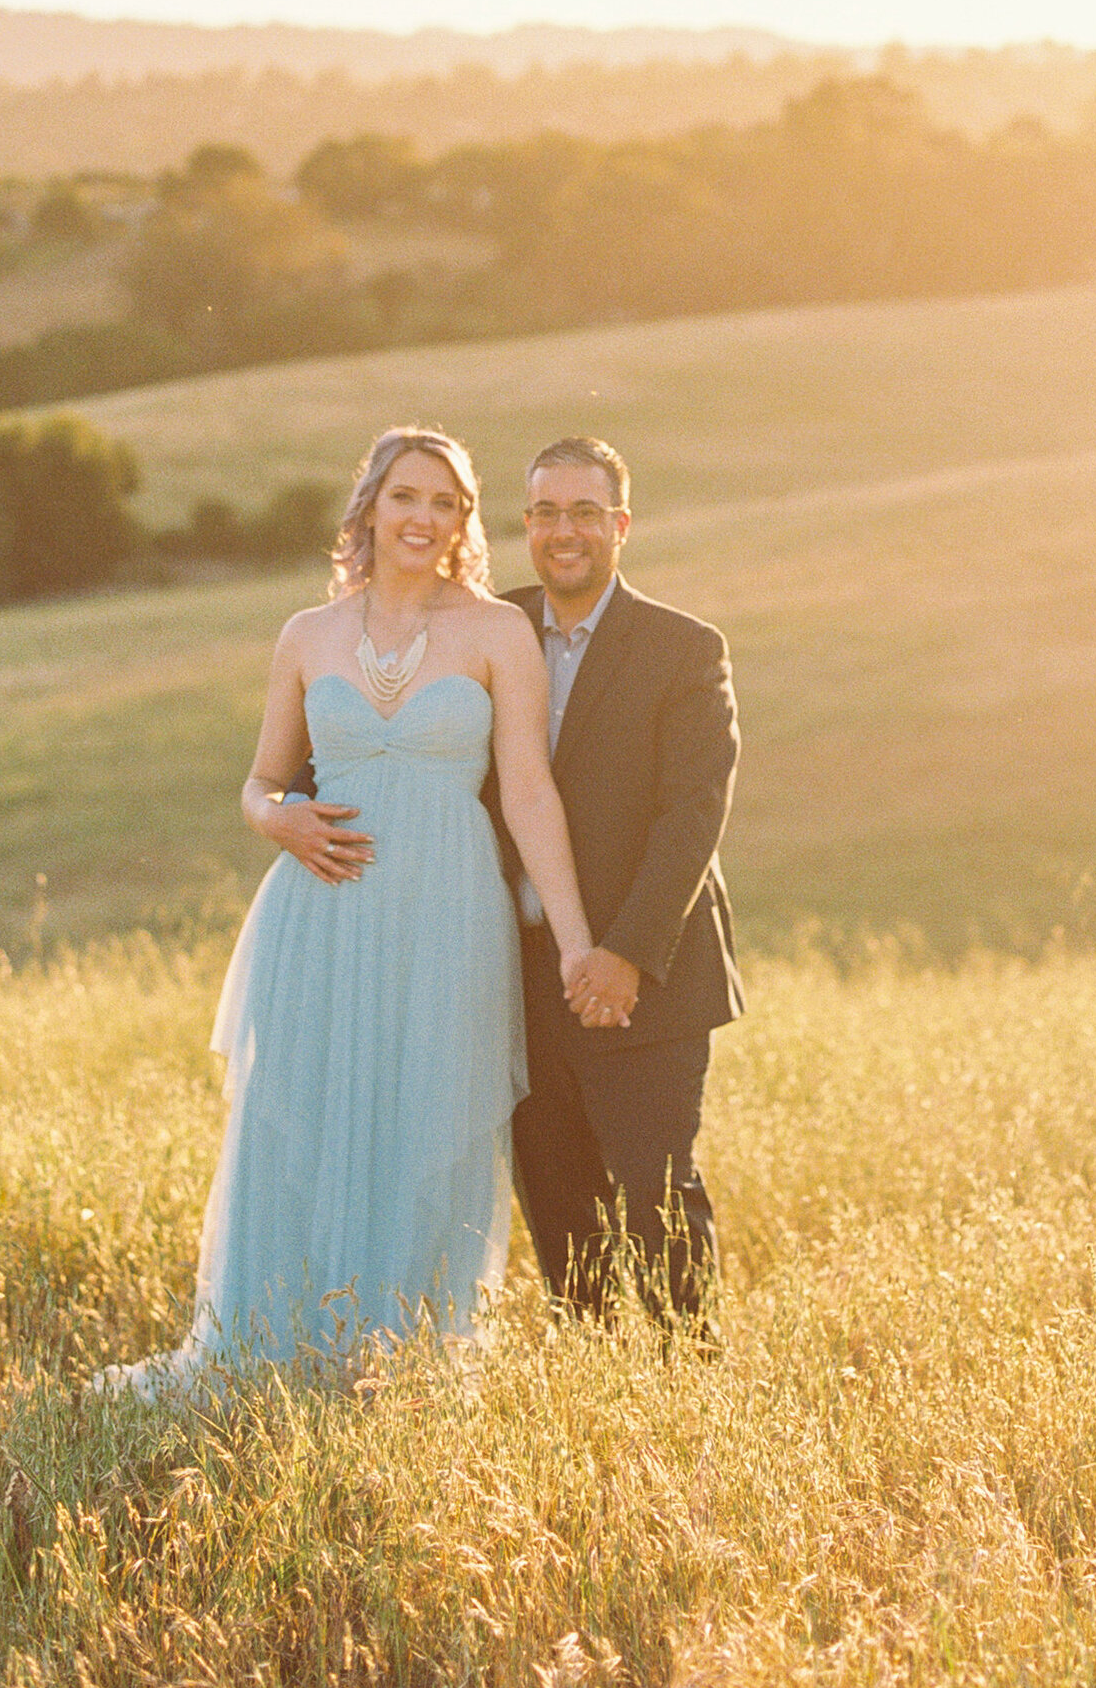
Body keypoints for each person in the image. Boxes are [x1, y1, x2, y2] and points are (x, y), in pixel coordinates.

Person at [101, 425, 613, 1386]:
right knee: (299, 1116)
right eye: (407, 497)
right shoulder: (307, 635)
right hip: (320, 911)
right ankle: (276, 1349)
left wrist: (575, 942)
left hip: (447, 915)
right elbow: (257, 786)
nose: (425, 518)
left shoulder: (501, 631)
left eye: (446, 503)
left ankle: (399, 1363)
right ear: (370, 507)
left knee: (427, 1121)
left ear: (464, 522)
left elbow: (531, 793)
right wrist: (281, 821)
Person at [506, 435, 743, 1326]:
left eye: (585, 512)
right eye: (547, 513)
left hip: (651, 975)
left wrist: (625, 956)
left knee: (656, 1199)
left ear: (621, 524)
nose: (565, 531)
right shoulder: (491, 626)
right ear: (526, 524)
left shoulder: (683, 649)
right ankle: (601, 1398)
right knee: (561, 1214)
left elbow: (693, 817)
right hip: (523, 980)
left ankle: (692, 1389)